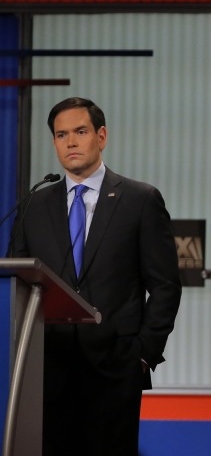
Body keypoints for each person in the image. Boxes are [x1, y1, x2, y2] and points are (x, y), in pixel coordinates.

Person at [10, 97, 182, 456]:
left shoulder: (140, 200)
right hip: (46, 369)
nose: (70, 142)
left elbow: (165, 285)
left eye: (80, 131)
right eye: (61, 134)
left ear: (101, 137)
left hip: (116, 367)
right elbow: (15, 284)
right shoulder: (33, 205)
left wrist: (144, 355)